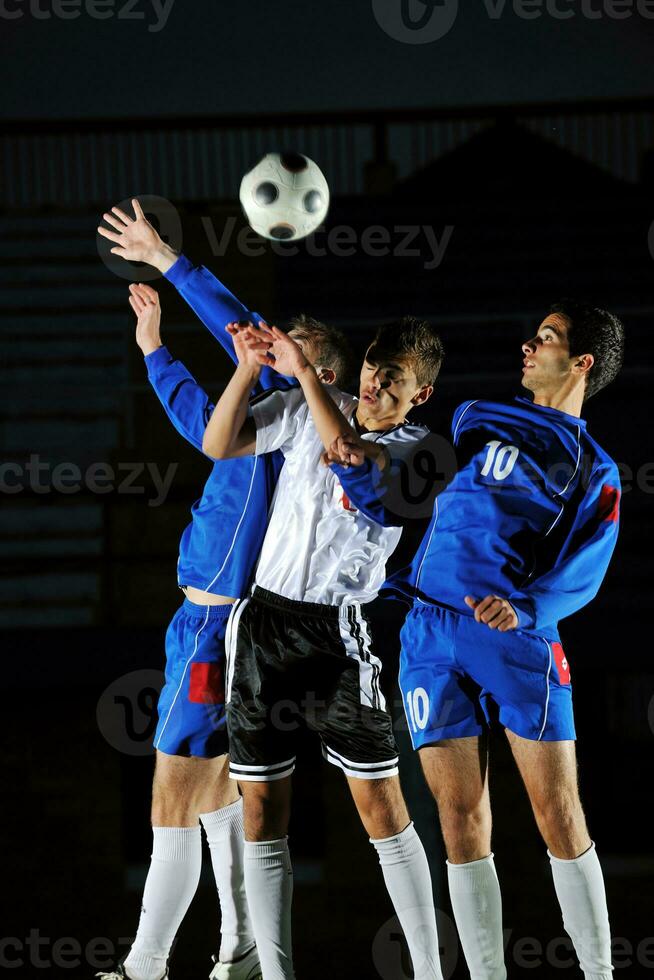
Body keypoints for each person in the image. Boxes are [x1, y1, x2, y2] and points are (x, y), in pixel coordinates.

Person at [329, 301, 625, 980]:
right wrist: (356, 471)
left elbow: (590, 563)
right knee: (459, 822)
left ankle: (601, 973)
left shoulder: (590, 464)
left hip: (516, 640)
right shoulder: (475, 419)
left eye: (546, 337)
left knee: (558, 810)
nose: (529, 343)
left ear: (580, 363)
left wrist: (524, 609)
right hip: (429, 632)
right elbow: (411, 498)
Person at [96, 203, 352, 980]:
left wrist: (170, 259)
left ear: (323, 374)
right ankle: (238, 945)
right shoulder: (263, 417)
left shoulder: (300, 428)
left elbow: (238, 324)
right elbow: (202, 418)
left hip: (220, 629)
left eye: (289, 349)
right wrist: (154, 351)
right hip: (200, 622)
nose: (268, 348)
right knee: (209, 798)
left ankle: (144, 966)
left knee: (170, 798)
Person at [202, 316, 446, 980]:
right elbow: (219, 442)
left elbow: (358, 471)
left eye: (392, 377)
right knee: (261, 806)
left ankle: (429, 970)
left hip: (344, 634)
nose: (374, 381)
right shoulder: (317, 405)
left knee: (382, 806)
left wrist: (305, 373)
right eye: (371, 365)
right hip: (265, 624)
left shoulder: (423, 448)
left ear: (419, 394)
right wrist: (249, 368)